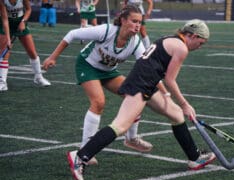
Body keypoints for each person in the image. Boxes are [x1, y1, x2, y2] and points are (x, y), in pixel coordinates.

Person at [66, 19, 217, 180]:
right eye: (200, 43)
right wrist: (185, 104)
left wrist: (172, 100)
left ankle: (195, 158)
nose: (199, 47)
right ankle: (81, 156)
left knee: (176, 115)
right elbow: (170, 80)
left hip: (148, 84)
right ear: (193, 36)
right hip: (140, 85)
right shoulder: (181, 48)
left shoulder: (170, 39)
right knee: (120, 126)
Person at [43, 5, 163, 165]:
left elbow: (147, 65)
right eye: (134, 21)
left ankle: (131, 138)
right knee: (98, 102)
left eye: (140, 22)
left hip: (108, 71)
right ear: (123, 20)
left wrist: (163, 90)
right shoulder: (106, 30)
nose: (137, 26)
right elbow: (72, 34)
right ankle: (86, 149)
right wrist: (52, 57)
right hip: (87, 65)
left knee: (136, 95)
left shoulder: (135, 42)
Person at [0, 0, 51, 92]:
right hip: (6, 25)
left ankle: (38, 77)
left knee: (32, 51)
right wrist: (8, 39)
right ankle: (2, 83)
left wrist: (23, 21)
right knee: (5, 54)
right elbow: (4, 20)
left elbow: (28, 9)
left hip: (21, 23)